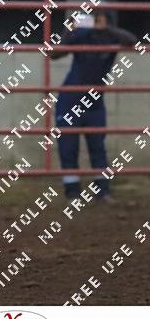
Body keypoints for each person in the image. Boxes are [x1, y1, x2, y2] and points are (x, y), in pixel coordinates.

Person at [50, 10, 137, 202]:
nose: (98, 22)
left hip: (94, 102)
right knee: (68, 147)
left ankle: (102, 190)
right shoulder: (82, 36)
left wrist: (107, 29)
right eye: (95, 19)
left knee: (98, 145)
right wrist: (71, 30)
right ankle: (72, 192)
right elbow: (54, 54)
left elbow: (131, 40)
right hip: (70, 100)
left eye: (101, 19)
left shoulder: (113, 39)